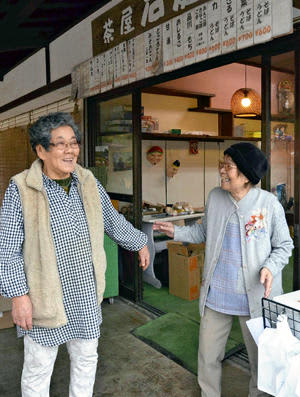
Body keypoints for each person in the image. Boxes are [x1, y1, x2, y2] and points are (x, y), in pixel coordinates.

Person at [0, 112, 150, 397]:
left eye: (74, 143)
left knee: (86, 359)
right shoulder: (21, 188)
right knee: (38, 368)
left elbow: (112, 220)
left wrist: (139, 242)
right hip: (44, 296)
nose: (71, 150)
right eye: (61, 144)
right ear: (41, 150)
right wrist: (18, 296)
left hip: (84, 291)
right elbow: (6, 249)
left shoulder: (88, 181)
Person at [153, 142, 293, 397]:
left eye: (228, 166)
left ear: (247, 174)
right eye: (222, 164)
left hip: (255, 296)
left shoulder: (268, 204)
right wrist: (176, 231)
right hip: (218, 293)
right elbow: (203, 231)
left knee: (260, 361)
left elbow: (284, 245)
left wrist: (270, 267)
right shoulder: (216, 197)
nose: (222, 171)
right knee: (207, 356)